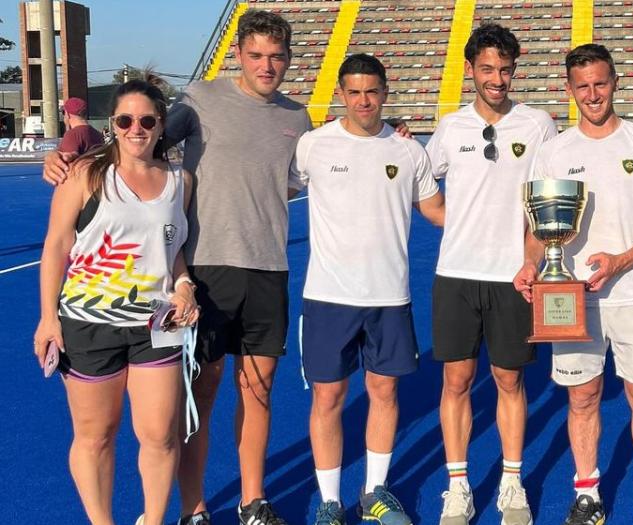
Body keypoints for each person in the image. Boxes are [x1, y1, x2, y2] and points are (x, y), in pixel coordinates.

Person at [43, 10, 310, 525]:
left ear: (289, 60)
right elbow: (139, 139)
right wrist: (69, 160)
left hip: (267, 267)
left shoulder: (298, 118)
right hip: (206, 267)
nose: (266, 65)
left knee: (258, 388)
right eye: (256, 54)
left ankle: (252, 501)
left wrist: (396, 131)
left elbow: (328, 159)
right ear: (238, 54)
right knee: (198, 394)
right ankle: (195, 508)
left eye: (276, 56)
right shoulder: (200, 101)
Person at [515, 43, 633, 525]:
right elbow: (535, 226)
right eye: (582, 86)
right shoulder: (553, 152)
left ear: (615, 82)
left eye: (600, 83)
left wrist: (622, 260)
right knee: (582, 397)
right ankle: (587, 492)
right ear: (569, 90)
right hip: (570, 298)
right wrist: (532, 264)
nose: (593, 94)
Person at [33, 79, 198, 525]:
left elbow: (173, 250)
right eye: (126, 120)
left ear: (161, 125)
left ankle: (154, 518)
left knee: (161, 435)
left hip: (157, 325)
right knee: (95, 436)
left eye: (147, 120)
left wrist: (184, 286)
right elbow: (56, 247)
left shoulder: (180, 182)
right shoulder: (85, 174)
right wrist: (48, 319)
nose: (136, 129)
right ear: (113, 125)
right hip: (88, 325)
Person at [289, 53, 445, 525]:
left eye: (372, 92)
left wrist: (497, 228)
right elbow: (270, 185)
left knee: (384, 393)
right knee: (328, 399)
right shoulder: (313, 145)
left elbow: (436, 210)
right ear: (340, 93)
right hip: (329, 296)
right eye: (354, 92)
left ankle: (375, 492)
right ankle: (331, 502)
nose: (363, 101)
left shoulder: (408, 150)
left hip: (389, 297)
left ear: (384, 92)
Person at [426, 22, 557, 525]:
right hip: (456, 273)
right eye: (487, 69)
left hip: (513, 276)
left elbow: (545, 201)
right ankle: (457, 487)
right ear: (470, 70)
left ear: (514, 70)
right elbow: (424, 187)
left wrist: (532, 259)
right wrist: (455, 220)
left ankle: (511, 481)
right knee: (456, 379)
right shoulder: (450, 127)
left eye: (504, 69)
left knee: (508, 378)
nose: (496, 78)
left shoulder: (538, 124)